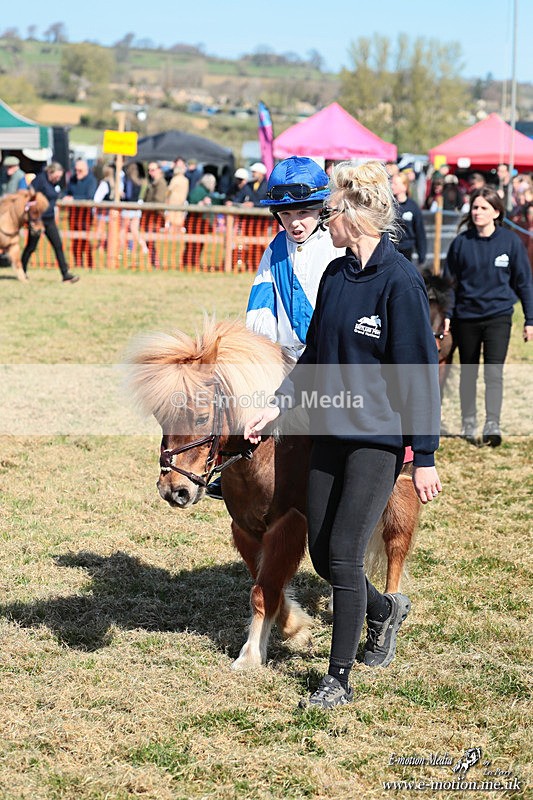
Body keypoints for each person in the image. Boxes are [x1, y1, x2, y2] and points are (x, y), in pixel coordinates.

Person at [243, 160, 441, 710]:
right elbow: (312, 358)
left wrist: (423, 455)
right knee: (326, 555)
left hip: (377, 439)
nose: (323, 219)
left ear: (355, 216)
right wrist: (274, 408)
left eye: (329, 210)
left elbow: (419, 374)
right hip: (329, 429)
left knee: (347, 555)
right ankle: (383, 610)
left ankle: (338, 678)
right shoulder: (335, 276)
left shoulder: (399, 282)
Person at [206, 156, 343, 501]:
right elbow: (261, 306)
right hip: (282, 359)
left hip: (330, 359)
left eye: (302, 213)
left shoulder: (336, 247)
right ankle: (231, 472)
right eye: (286, 215)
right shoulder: (275, 249)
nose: (294, 223)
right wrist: (263, 360)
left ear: (321, 209)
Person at [443, 186, 533, 446]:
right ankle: (468, 421)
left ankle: (492, 423)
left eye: (483, 208)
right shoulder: (461, 243)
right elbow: (450, 283)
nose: (477, 212)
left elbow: (524, 283)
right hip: (466, 317)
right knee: (468, 372)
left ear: (496, 211)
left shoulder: (511, 242)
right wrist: (448, 313)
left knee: (494, 372)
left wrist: (529, 320)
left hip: (498, 317)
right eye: (474, 207)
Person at [21, 162, 79, 283]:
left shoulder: (54, 183)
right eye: (56, 176)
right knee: (31, 247)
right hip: (38, 219)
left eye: (59, 177)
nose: (57, 179)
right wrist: (32, 217)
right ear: (50, 172)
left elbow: (54, 195)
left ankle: (65, 274)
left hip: (49, 219)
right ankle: (22, 271)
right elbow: (29, 196)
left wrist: (64, 196)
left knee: (58, 245)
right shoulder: (40, 180)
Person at [63, 159, 98, 268]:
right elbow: (65, 192)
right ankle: (79, 264)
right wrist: (64, 197)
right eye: (76, 170)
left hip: (85, 216)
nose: (77, 172)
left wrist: (73, 198)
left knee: (84, 240)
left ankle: (89, 264)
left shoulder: (92, 180)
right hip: (73, 215)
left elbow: (89, 196)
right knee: (75, 240)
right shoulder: (72, 179)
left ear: (86, 169)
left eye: (80, 170)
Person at [182, 173, 220, 269]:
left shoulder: (204, 191)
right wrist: (201, 203)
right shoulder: (199, 191)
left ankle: (192, 263)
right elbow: (192, 203)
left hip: (200, 223)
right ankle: (189, 263)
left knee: (196, 244)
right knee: (193, 244)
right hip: (195, 223)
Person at [391, 171, 427, 266]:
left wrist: (421, 254)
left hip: (407, 250)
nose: (392, 186)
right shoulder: (389, 205)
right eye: (392, 183)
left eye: (395, 184)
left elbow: (420, 231)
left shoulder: (413, 206)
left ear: (404, 186)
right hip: (391, 249)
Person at [141, 161, 167, 267]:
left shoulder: (161, 183)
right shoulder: (152, 183)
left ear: (159, 170)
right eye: (149, 170)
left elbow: (158, 200)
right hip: (150, 215)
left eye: (153, 170)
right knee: (149, 240)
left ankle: (156, 262)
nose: (150, 172)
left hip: (156, 216)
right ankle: (154, 262)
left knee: (152, 240)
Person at [165, 157, 189, 235]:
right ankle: (178, 230)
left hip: (173, 200)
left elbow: (169, 190)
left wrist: (166, 197)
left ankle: (173, 230)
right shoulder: (186, 180)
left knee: (172, 215)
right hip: (181, 200)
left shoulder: (175, 179)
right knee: (179, 215)